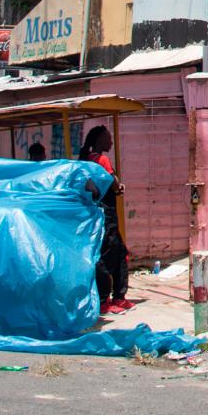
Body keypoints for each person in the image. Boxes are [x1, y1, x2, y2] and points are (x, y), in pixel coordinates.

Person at [79, 125, 128, 306]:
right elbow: (114, 184)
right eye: (109, 138)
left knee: (119, 251)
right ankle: (106, 298)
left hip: (94, 213)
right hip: (107, 213)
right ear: (100, 140)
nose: (111, 141)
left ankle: (117, 297)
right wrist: (119, 187)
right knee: (110, 254)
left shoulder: (85, 159)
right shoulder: (102, 160)